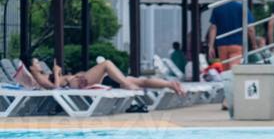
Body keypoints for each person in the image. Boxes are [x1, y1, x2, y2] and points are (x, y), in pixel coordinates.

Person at [24, 57, 184, 96]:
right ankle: (125, 84)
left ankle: (169, 85)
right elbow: (56, 89)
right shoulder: (38, 77)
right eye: (35, 63)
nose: (38, 64)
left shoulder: (43, 74)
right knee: (106, 64)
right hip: (77, 85)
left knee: (138, 80)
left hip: (79, 80)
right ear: (31, 67)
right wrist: (57, 73)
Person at [207, 0, 261, 70]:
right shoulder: (242, 7)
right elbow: (250, 29)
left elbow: (213, 28)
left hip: (222, 45)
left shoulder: (217, 8)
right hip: (237, 44)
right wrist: (254, 44)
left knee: (225, 72)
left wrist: (211, 46)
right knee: (234, 71)